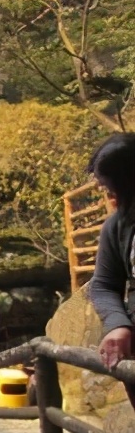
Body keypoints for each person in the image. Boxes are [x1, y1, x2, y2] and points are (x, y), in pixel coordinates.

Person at [87, 133, 135, 406]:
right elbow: (103, 284)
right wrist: (118, 325)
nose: (108, 197)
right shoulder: (116, 226)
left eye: (112, 189)